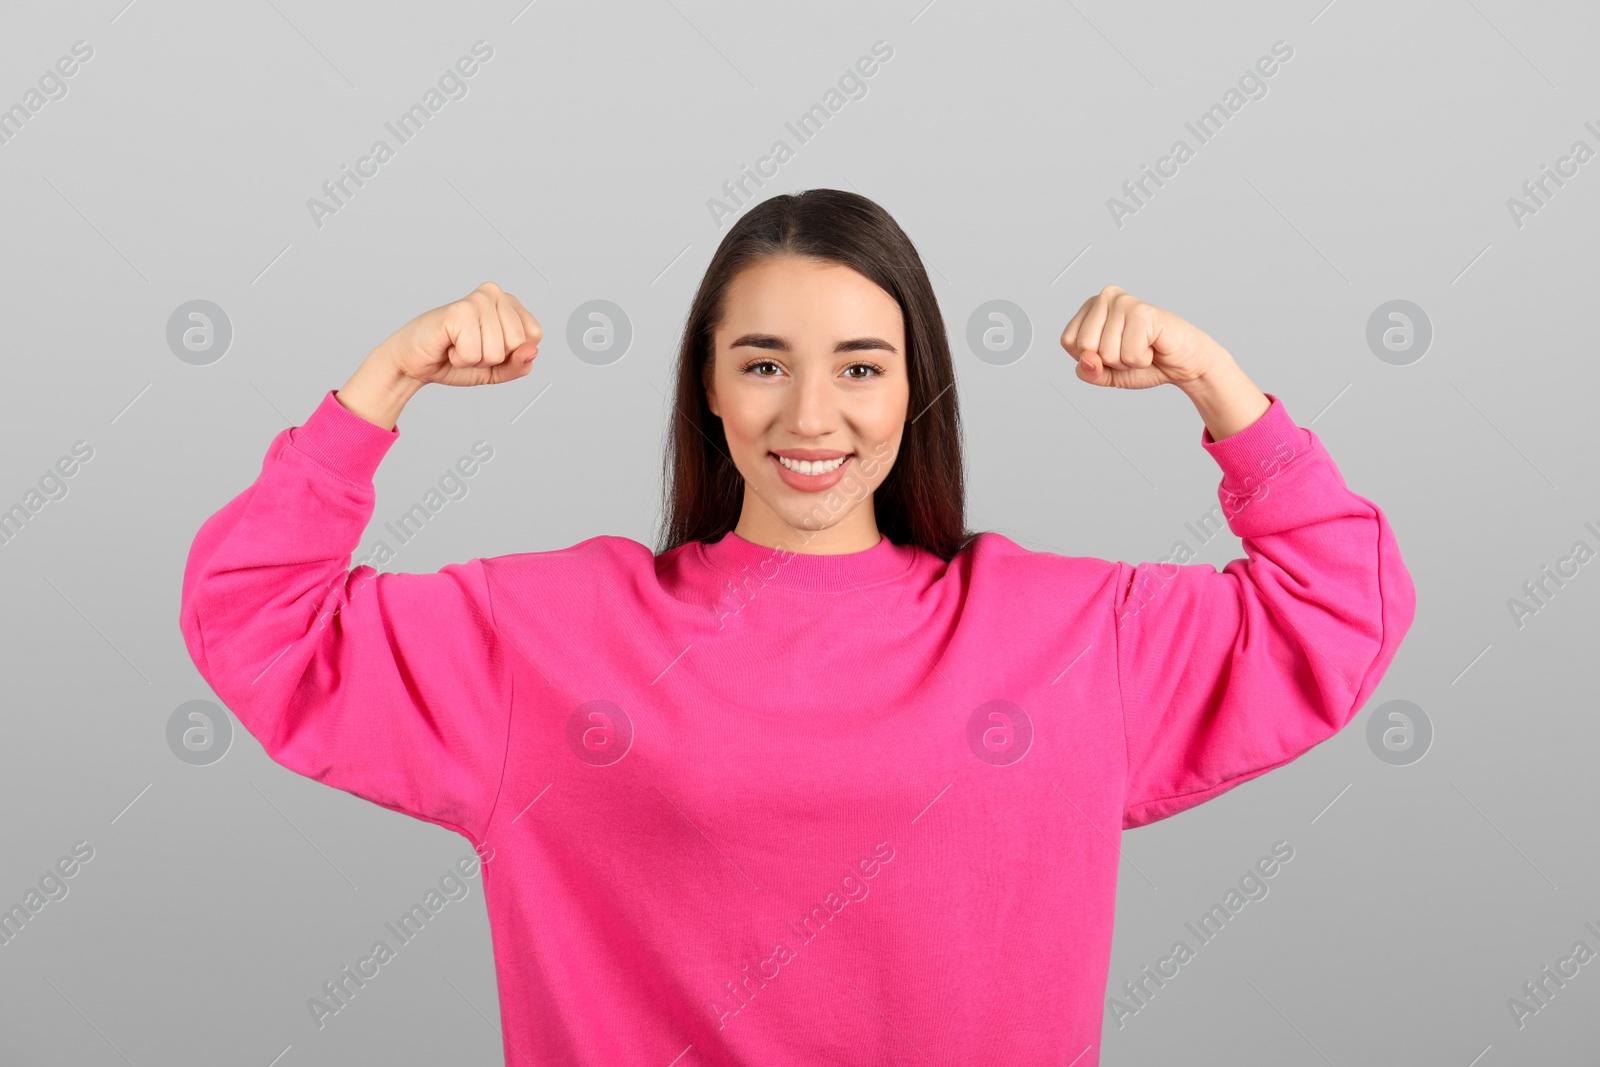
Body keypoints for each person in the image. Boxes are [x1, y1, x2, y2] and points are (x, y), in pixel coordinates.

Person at [178, 188, 1416, 1066]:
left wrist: (1219, 385)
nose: (810, 412)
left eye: (861, 366)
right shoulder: (551, 636)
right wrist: (382, 383)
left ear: (915, 384)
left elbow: (1340, 603)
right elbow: (258, 612)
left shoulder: (1060, 631)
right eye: (763, 364)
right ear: (707, 386)